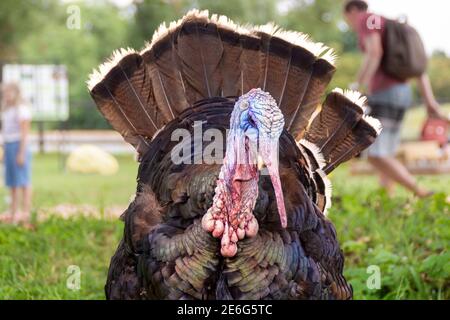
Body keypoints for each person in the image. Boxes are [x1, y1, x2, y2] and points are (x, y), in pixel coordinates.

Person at [343, 0, 447, 197]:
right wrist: (429, 101)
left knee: (374, 154)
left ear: (353, 11)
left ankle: (422, 192)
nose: (351, 24)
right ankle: (387, 197)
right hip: (402, 93)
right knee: (386, 152)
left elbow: (374, 52)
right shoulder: (392, 27)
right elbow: (419, 69)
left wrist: (358, 86)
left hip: (384, 93)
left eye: (348, 20)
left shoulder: (367, 19)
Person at [1, 83, 33, 225]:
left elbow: (24, 133)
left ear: (16, 93)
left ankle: (26, 213)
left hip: (19, 146)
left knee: (23, 181)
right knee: (12, 182)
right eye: (4, 93)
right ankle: (13, 212)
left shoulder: (22, 109)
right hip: (8, 145)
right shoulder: (7, 110)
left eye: (8, 93)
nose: (6, 96)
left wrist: (21, 153)